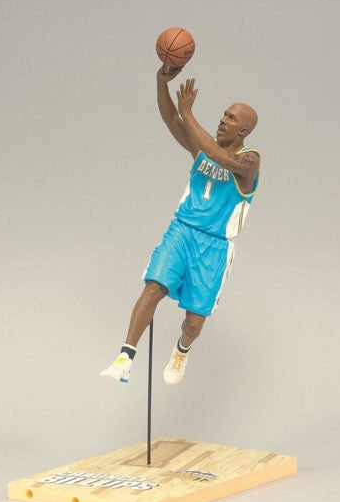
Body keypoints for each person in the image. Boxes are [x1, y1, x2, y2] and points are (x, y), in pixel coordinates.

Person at [100, 65, 260, 385]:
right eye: (224, 114)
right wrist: (161, 84)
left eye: (230, 118)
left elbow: (220, 157)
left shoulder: (250, 160)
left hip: (214, 246)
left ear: (243, 131)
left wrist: (189, 113)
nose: (222, 120)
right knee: (154, 285)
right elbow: (171, 119)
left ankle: (182, 349)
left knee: (194, 323)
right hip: (182, 231)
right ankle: (125, 357)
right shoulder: (202, 147)